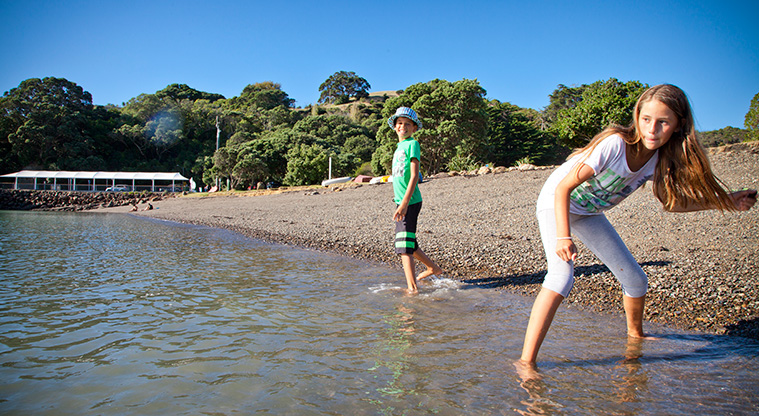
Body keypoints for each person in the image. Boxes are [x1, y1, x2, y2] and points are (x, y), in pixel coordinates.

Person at [517, 84, 757, 368]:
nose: (652, 129)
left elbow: (673, 204)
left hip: (589, 212)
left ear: (678, 126)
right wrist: (563, 237)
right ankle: (526, 363)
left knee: (636, 280)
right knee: (561, 277)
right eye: (646, 120)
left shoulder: (659, 160)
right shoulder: (615, 145)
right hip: (557, 202)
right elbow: (563, 188)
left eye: (663, 122)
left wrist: (725, 200)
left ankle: (635, 334)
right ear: (637, 117)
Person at [389, 107, 443, 293]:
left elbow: (414, 176)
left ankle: (412, 289)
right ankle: (433, 268)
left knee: (403, 246)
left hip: (410, 201)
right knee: (409, 241)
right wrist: (399, 201)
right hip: (402, 200)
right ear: (395, 127)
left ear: (413, 128)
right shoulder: (399, 147)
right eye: (399, 123)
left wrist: (404, 203)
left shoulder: (413, 144)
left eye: (407, 124)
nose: (402, 126)